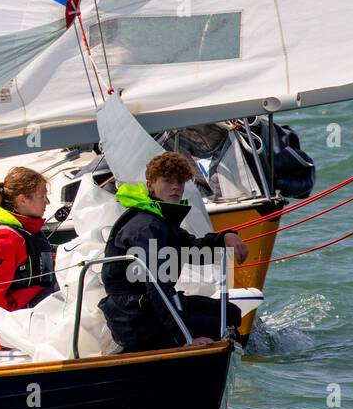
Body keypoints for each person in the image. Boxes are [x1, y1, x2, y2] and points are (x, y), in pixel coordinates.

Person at [100, 151, 248, 353]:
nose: (176, 187)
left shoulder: (160, 221)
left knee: (231, 314)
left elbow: (193, 250)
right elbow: (158, 287)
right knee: (218, 324)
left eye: (180, 181)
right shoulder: (146, 227)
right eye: (168, 181)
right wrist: (185, 338)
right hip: (135, 318)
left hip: (148, 308)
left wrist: (224, 238)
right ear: (151, 184)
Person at [0, 167, 56, 350]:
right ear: (22, 199)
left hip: (36, 319)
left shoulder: (26, 231)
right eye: (42, 196)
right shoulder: (4, 239)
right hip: (19, 329)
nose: (47, 202)